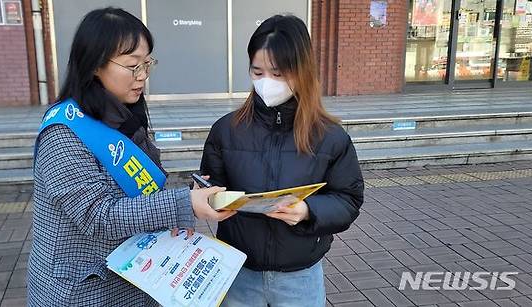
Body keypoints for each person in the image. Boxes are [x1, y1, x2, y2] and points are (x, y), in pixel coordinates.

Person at [27, 7, 234, 306]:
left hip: (135, 278)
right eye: (132, 65)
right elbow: (97, 216)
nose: (142, 77)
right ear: (95, 64)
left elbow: (141, 187)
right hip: (83, 290)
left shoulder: (124, 115)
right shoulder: (64, 133)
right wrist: (184, 204)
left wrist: (187, 197)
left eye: (147, 64)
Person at [200, 14, 364, 307]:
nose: (266, 83)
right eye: (257, 72)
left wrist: (307, 211)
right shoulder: (225, 131)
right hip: (238, 271)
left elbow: (349, 199)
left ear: (301, 71)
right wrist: (210, 200)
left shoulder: (330, 137)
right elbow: (209, 189)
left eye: (278, 74)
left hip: (300, 276)